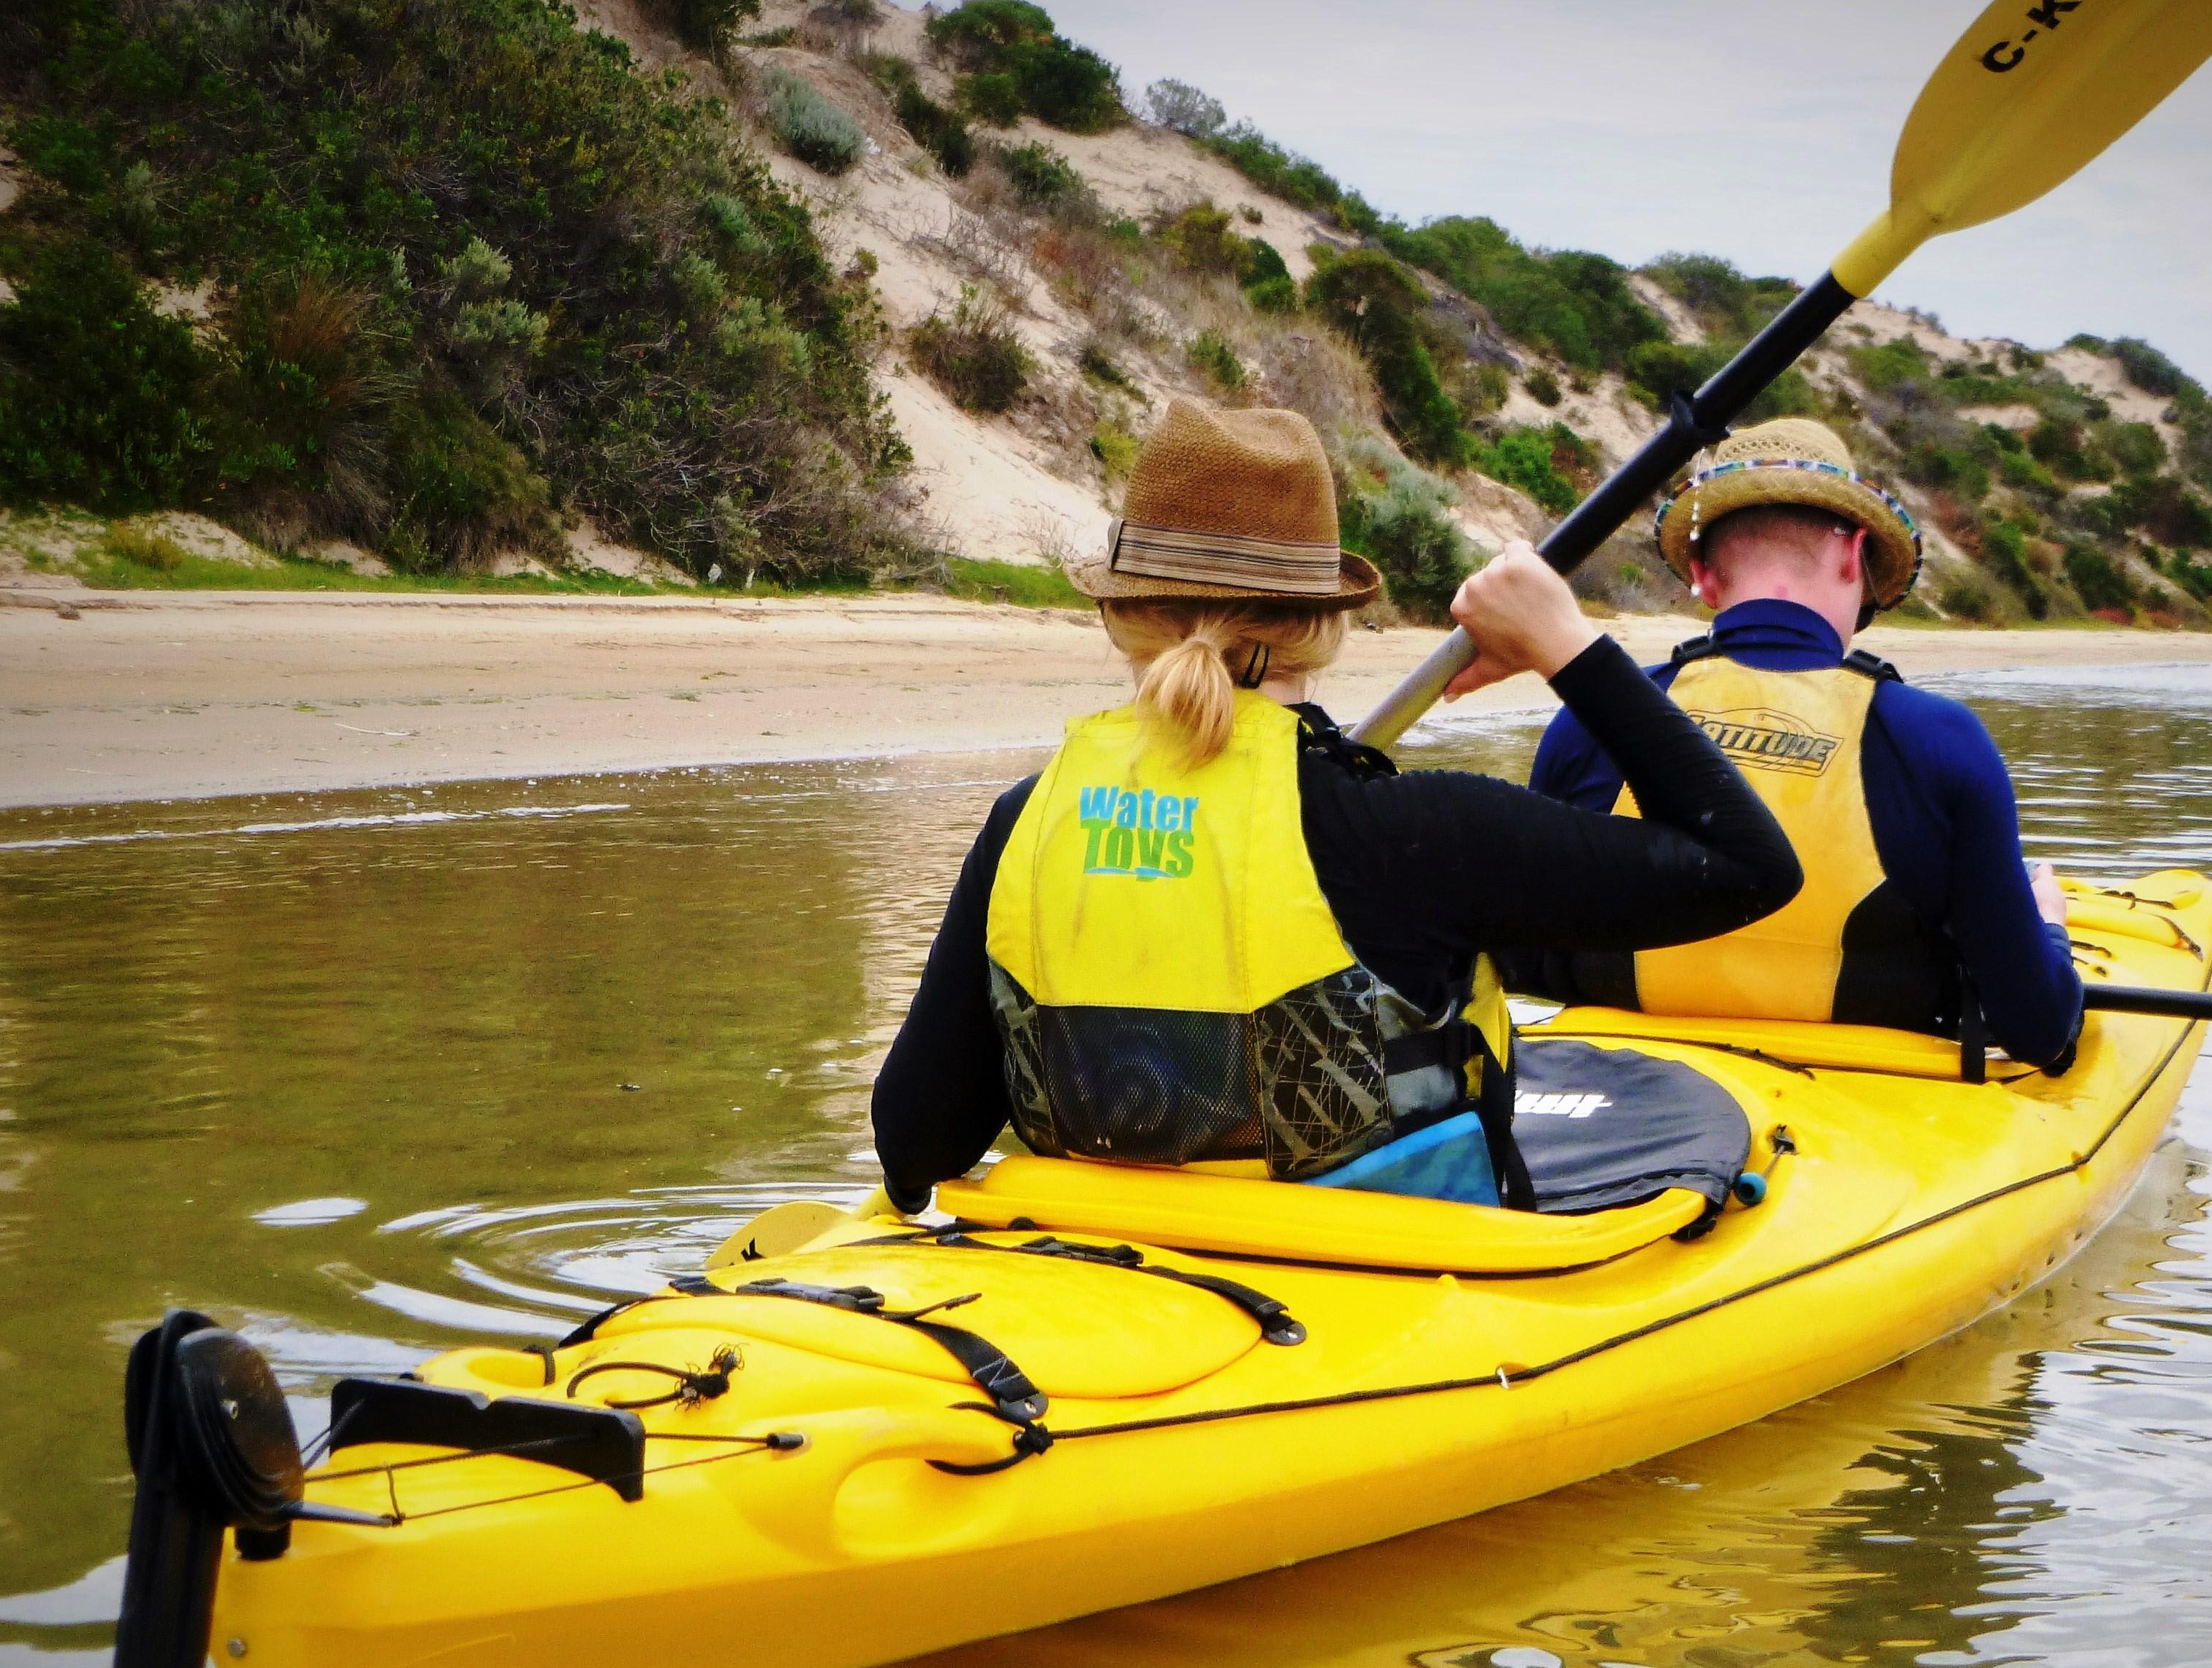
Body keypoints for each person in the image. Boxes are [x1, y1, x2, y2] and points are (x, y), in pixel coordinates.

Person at [871, 398, 1802, 1214]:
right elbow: (1751, 868)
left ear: (1120, 615)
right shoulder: (1416, 832)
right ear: (1324, 627)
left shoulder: (1027, 822)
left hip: (1110, 1280)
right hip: (1384, 1292)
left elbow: (916, 1146)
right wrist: (1566, 646)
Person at [1503, 417, 2083, 1072]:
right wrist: (2049, 928)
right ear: (1851, 555)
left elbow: (1524, 957)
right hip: (1861, 1121)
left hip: (1617, 1094)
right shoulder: (1940, 739)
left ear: (1703, 576)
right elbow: (2037, 1028)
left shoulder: (1588, 722)